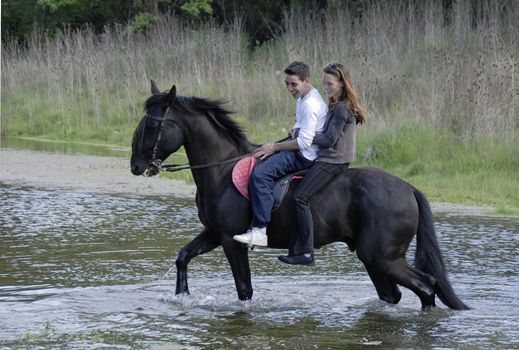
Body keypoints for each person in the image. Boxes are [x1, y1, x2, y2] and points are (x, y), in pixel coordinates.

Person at [278, 63, 367, 265]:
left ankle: (306, 252)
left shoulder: (342, 108)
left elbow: (328, 140)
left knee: (300, 197)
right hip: (328, 158)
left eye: (330, 84)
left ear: (342, 84)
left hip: (333, 161)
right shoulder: (335, 105)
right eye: (324, 83)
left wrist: (302, 134)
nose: (325, 87)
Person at [233, 61, 328, 246]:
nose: (290, 88)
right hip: (301, 149)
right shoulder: (304, 98)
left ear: (306, 80)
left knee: (261, 174)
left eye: (294, 84)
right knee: (257, 157)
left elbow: (303, 143)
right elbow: (299, 131)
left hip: (304, 156)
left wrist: (274, 147)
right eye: (287, 84)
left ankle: (260, 230)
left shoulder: (310, 104)